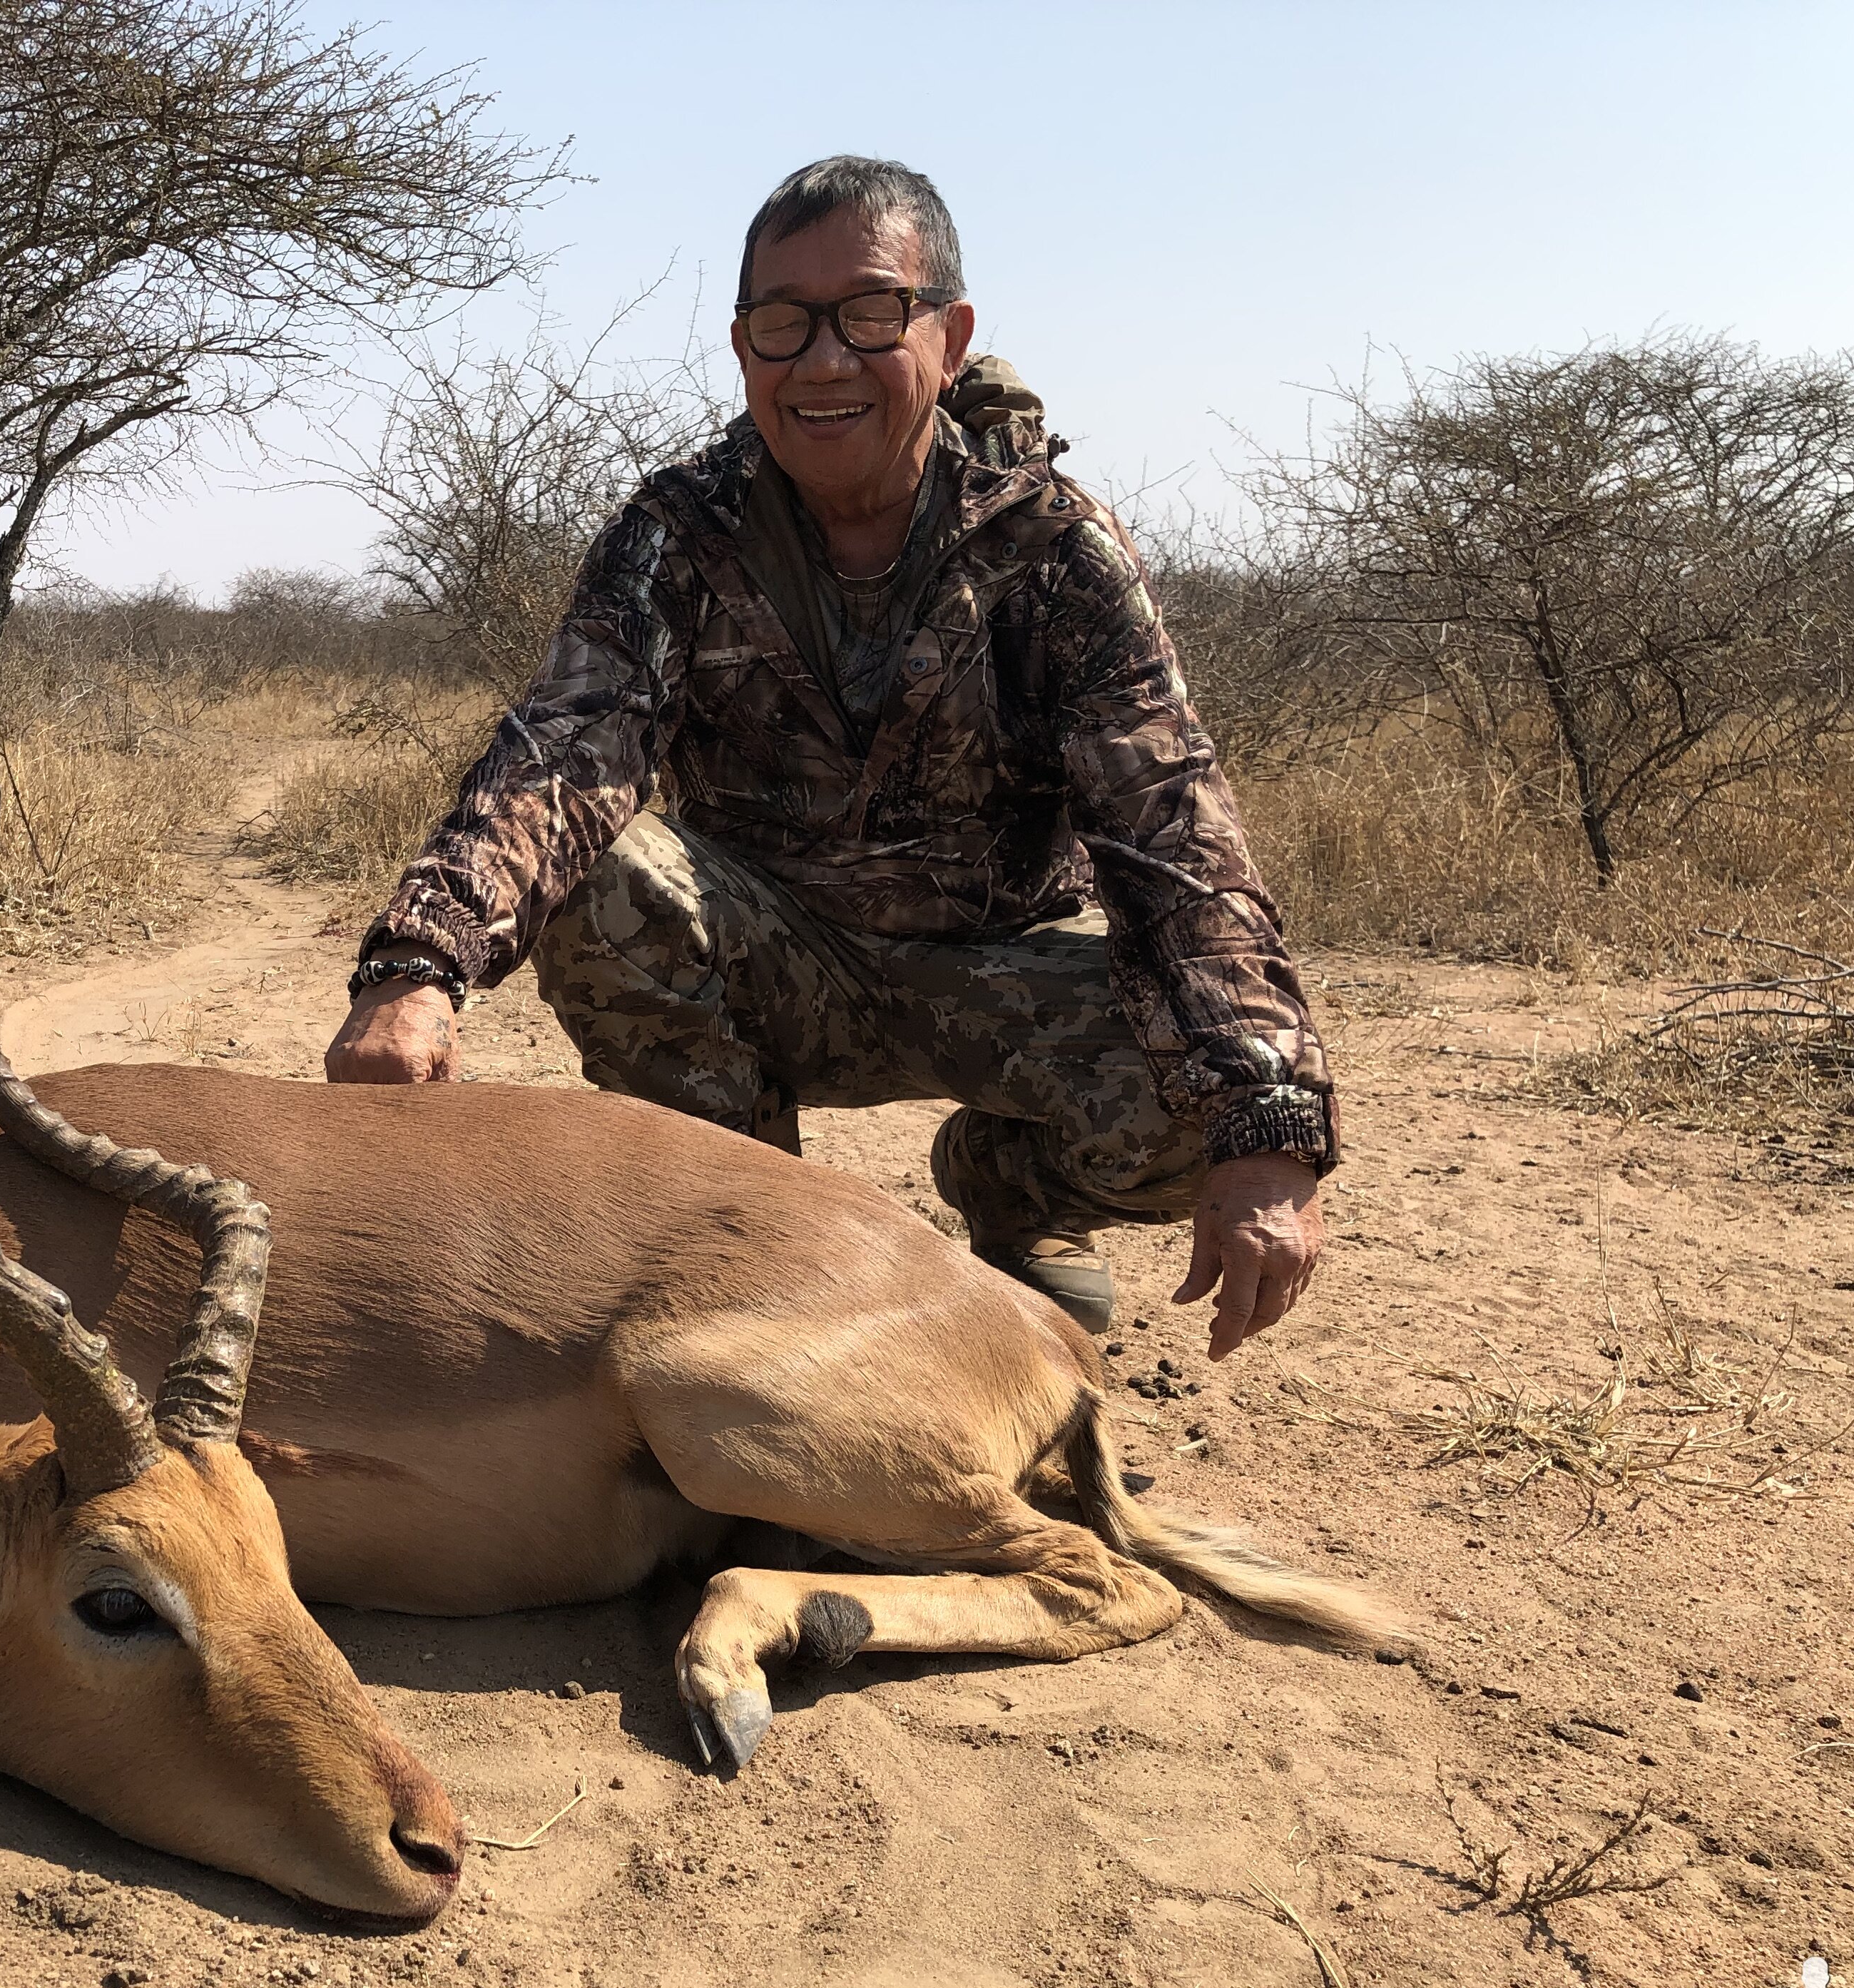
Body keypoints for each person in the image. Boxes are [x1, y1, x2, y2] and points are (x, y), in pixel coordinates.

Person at [325, 154, 1335, 1353]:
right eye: (781, 323)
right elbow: (565, 749)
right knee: (605, 877)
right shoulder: (679, 531)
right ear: (742, 344)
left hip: (1001, 965)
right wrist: (418, 965)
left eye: (868, 315)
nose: (823, 361)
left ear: (948, 337)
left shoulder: (1057, 548)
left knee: (1211, 1101)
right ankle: (748, 1240)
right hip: (772, 961)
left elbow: (1172, 832)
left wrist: (1268, 1128)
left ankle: (1010, 1192)